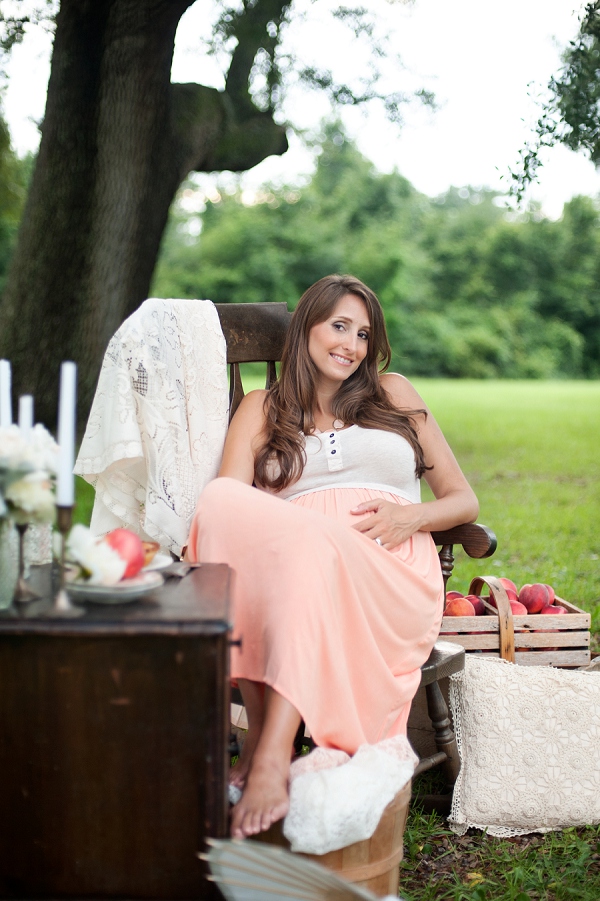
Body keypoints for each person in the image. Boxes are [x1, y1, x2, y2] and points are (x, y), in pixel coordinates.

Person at [186, 274, 478, 841]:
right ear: (306, 328)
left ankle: (268, 756)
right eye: (339, 326)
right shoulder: (262, 407)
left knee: (309, 550)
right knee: (223, 502)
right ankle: (264, 741)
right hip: (296, 573)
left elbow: (463, 500)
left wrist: (411, 517)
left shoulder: (394, 393)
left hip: (388, 574)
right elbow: (229, 507)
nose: (351, 344)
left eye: (363, 334)